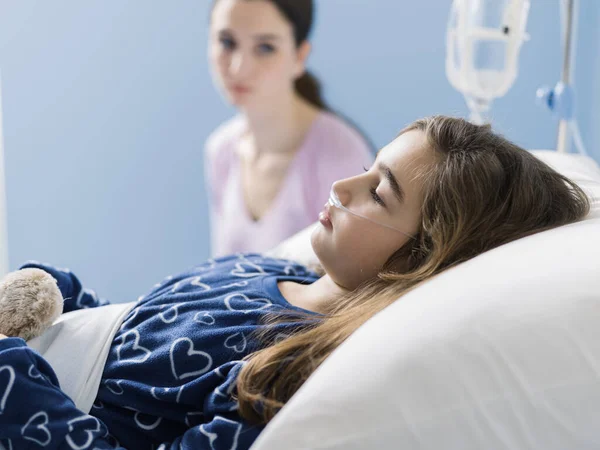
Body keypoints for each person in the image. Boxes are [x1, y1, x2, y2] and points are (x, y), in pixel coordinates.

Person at [0, 116, 590, 449]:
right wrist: (56, 291)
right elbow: (130, 331)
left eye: (378, 193)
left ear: (419, 258)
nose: (343, 187)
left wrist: (13, 376)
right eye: (365, 169)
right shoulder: (263, 270)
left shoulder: (287, 370)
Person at [205, 0, 374, 257]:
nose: (239, 67)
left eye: (265, 48)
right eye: (227, 42)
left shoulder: (340, 154)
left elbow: (359, 284)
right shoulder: (220, 150)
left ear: (300, 56)